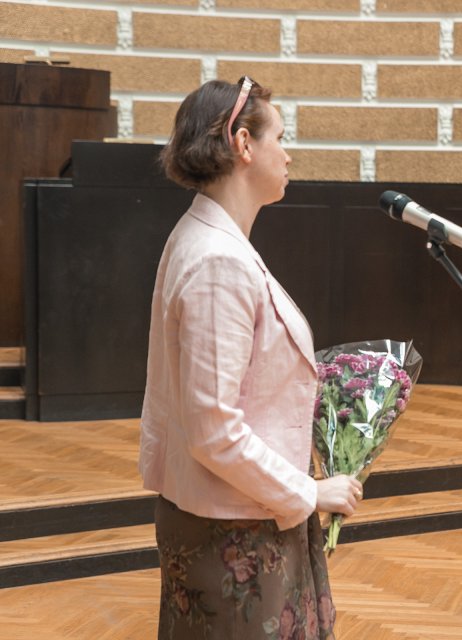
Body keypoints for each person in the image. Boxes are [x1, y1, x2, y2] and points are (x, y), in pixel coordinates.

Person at [139, 77, 363, 640]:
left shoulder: (207, 236)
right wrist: (310, 492)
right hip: (231, 530)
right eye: (280, 138)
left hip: (235, 515)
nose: (287, 154)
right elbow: (213, 430)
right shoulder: (218, 261)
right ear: (243, 144)